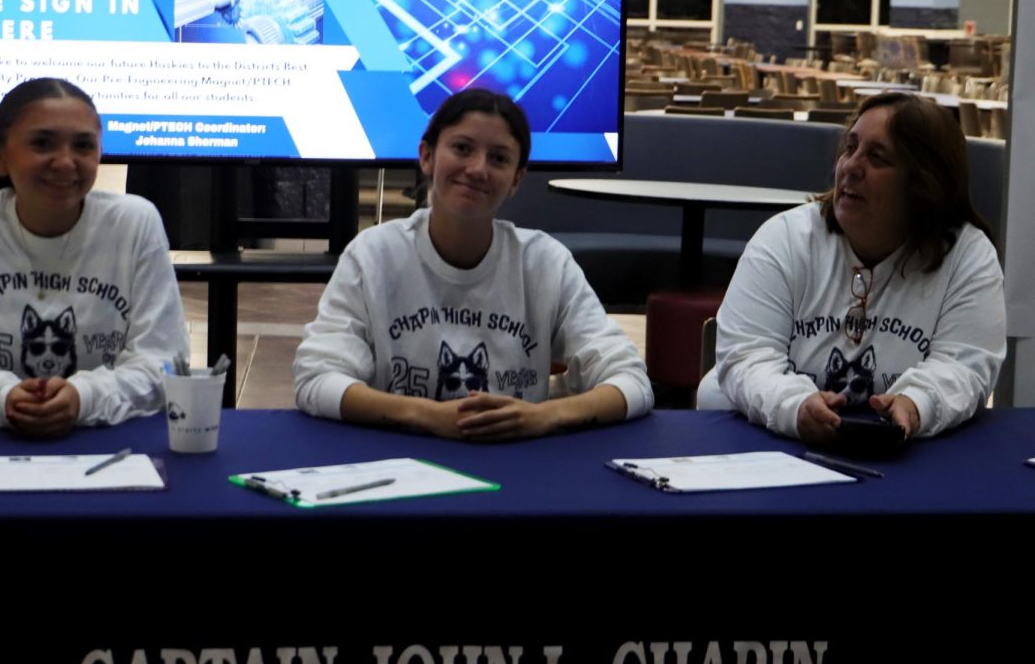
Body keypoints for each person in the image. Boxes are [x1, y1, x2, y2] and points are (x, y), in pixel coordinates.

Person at [293, 88, 653, 440]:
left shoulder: (546, 264)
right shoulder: (373, 255)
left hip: (514, 467)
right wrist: (428, 416)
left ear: (516, 179)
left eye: (499, 158)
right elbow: (316, 379)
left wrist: (543, 416)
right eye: (462, 148)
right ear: (427, 156)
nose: (478, 169)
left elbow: (632, 382)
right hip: (396, 465)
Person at [697, 90, 1005, 442]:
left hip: (903, 451)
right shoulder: (785, 238)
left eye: (877, 157)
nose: (851, 166)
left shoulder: (966, 255)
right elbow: (746, 357)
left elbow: (965, 366)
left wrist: (917, 404)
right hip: (771, 440)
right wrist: (795, 406)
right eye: (850, 147)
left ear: (924, 182)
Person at [0, 78, 189, 436]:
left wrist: (83, 397)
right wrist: (3, 397)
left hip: (108, 441)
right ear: (0, 157)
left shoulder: (135, 222)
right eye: (42, 144)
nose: (65, 162)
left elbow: (164, 363)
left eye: (84, 146)